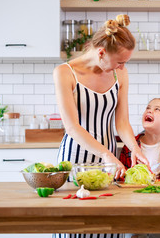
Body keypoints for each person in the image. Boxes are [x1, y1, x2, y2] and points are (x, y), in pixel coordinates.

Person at [53, 14, 149, 182]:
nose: (122, 67)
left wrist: (135, 148)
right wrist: (105, 154)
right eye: (119, 62)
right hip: (75, 159)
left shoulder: (120, 74)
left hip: (109, 161)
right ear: (101, 52)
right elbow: (72, 127)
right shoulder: (64, 73)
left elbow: (122, 122)